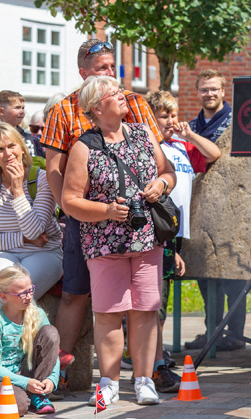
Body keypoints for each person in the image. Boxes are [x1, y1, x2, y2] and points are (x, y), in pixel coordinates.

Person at [39, 39, 163, 398]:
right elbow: (53, 169)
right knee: (76, 294)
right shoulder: (63, 109)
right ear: (84, 73)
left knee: (145, 301)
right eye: (102, 69)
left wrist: (158, 186)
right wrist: (76, 209)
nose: (111, 74)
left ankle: (150, 372)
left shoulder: (136, 104)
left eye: (113, 67)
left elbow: (156, 159)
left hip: (138, 224)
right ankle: (56, 374)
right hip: (87, 219)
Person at [61, 75, 176, 406]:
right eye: (115, 93)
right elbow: (70, 201)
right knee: (109, 313)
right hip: (104, 243)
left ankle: (143, 380)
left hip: (146, 239)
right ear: (98, 107)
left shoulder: (142, 134)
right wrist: (107, 210)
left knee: (145, 310)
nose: (124, 95)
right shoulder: (84, 147)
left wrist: (162, 185)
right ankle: (109, 382)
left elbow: (167, 172)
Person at [145, 90, 220, 391]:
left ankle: (154, 359)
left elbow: (213, 155)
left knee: (160, 303)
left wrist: (189, 133)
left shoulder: (179, 146)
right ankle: (154, 366)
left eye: (173, 114)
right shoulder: (150, 148)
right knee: (155, 303)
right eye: (163, 115)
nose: (171, 121)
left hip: (176, 234)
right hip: (157, 234)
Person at [184, 69, 245, 352]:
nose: (209, 94)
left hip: (231, 205)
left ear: (223, 92)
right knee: (205, 272)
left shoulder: (236, 123)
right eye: (204, 90)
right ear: (198, 92)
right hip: (200, 205)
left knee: (231, 271)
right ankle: (213, 330)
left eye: (214, 89)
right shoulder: (192, 125)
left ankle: (234, 334)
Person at [0, 123, 63, 298]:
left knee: (18, 293)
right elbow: (30, 235)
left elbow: (34, 231)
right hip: (4, 254)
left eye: (11, 146)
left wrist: (18, 190)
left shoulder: (42, 179)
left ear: (21, 147)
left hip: (44, 253)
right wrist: (23, 239)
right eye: (0, 149)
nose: (7, 154)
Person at [0, 264, 60, 416]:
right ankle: (28, 394)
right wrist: (25, 383)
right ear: (4, 296)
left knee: (50, 333)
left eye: (30, 290)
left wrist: (52, 379)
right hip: (4, 376)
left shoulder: (36, 314)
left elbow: (52, 352)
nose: (29, 297)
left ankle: (37, 393)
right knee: (16, 408)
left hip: (26, 371)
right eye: (22, 294)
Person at [0, 92, 36, 159]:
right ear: (1, 111)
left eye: (23, 108)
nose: (22, 112)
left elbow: (33, 160)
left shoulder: (26, 137)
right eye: (17, 108)